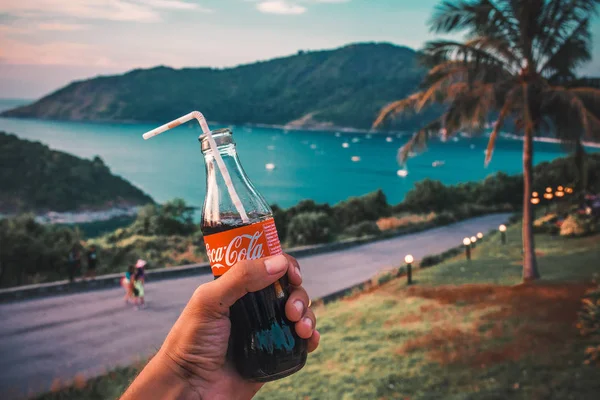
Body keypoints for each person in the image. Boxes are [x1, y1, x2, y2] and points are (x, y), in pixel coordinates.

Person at [120, 254, 319, 400]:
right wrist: (184, 371)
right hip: (247, 354)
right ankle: (135, 300)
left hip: (236, 366)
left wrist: (187, 377)